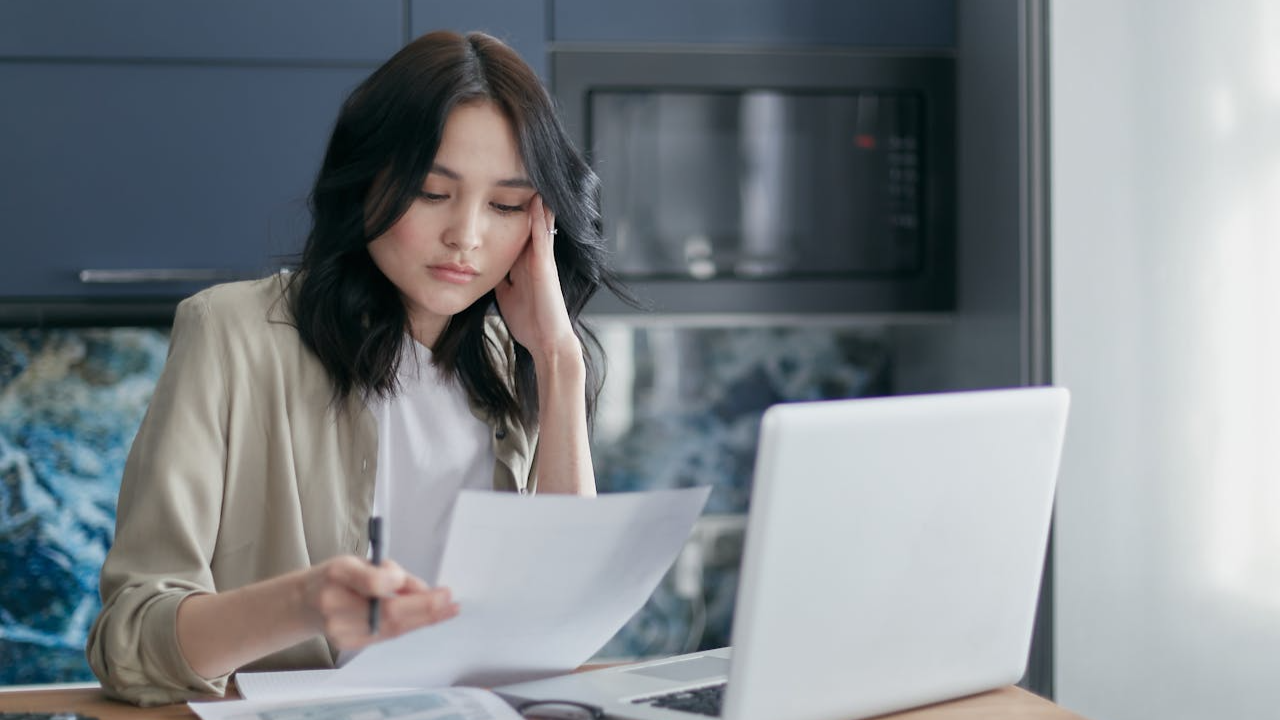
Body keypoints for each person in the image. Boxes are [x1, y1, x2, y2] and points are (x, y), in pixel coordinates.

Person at [86, 30, 624, 706]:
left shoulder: (517, 362)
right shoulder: (232, 333)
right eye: (433, 192)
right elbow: (128, 646)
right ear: (367, 180)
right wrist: (305, 602)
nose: (467, 236)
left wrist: (558, 359)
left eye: (507, 205)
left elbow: (562, 627)